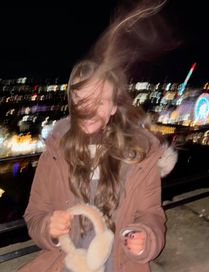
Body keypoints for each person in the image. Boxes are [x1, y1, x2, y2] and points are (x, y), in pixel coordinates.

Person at [18, 1, 177, 272]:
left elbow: (152, 215)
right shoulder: (55, 153)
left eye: (100, 101)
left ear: (114, 106)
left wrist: (145, 238)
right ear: (72, 102)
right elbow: (35, 215)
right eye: (82, 101)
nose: (89, 111)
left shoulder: (141, 156)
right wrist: (49, 227)